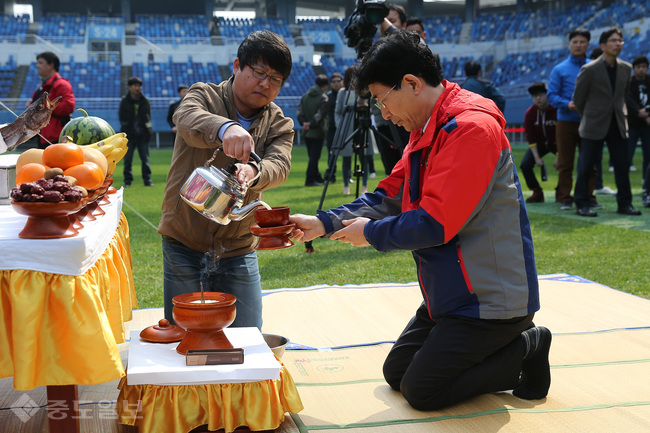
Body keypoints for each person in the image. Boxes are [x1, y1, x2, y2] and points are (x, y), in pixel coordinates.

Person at [290, 31, 549, 411]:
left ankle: (528, 343)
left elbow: (436, 224)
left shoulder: (471, 129)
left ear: (411, 83)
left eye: (382, 100)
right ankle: (498, 351)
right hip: (450, 298)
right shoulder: (427, 128)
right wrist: (323, 223)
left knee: (422, 391)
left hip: (490, 302)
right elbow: (388, 196)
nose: (384, 113)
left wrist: (371, 235)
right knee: (397, 373)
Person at [158, 30, 293, 329]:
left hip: (238, 246)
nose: (265, 84)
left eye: (275, 80)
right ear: (236, 66)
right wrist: (225, 128)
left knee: (248, 336)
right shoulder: (204, 95)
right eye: (259, 73)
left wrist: (254, 172)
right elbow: (185, 116)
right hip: (184, 239)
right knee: (184, 338)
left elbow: (280, 164)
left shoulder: (279, 122)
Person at [573, 27, 640, 216]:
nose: (618, 43)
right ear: (603, 46)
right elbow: (579, 99)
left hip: (618, 123)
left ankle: (625, 204)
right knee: (586, 166)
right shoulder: (589, 69)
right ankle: (582, 203)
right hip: (593, 124)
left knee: (622, 166)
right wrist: (589, 116)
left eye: (620, 40)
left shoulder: (626, 68)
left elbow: (623, 95)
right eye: (613, 40)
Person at [547, 28, 599, 210]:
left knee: (590, 163)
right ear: (569, 45)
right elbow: (551, 96)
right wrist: (566, 104)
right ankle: (565, 198)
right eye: (575, 42)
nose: (578, 45)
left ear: (588, 44)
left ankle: (588, 196)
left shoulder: (595, 66)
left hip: (589, 121)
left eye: (582, 42)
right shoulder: (559, 69)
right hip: (566, 121)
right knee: (565, 163)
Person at [334, 65, 378, 195]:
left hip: (363, 127)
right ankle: (346, 184)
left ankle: (364, 185)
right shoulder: (343, 93)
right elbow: (337, 112)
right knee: (346, 158)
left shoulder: (365, 92)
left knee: (364, 157)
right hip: (347, 129)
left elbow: (375, 106)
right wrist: (340, 128)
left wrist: (365, 105)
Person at [521, 82, 558, 203]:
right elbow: (530, 137)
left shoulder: (557, 110)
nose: (538, 98)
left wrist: (560, 156)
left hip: (558, 144)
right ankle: (537, 192)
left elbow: (564, 136)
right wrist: (537, 157)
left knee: (565, 163)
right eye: (535, 95)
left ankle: (562, 191)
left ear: (547, 95)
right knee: (525, 165)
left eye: (541, 94)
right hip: (540, 145)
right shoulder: (530, 113)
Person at [30, 51, 75, 149]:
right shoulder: (42, 85)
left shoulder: (61, 84)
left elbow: (69, 106)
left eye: (41, 63)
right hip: (42, 134)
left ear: (51, 65)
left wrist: (44, 107)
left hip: (55, 135)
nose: (37, 66)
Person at [119, 76, 153, 187]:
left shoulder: (145, 101)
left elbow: (148, 116)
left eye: (139, 85)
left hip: (143, 134)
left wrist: (147, 129)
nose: (138, 88)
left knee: (145, 159)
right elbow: (121, 116)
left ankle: (147, 180)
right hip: (129, 135)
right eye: (135, 85)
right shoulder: (124, 100)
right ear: (129, 87)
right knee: (127, 160)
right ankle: (127, 181)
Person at [625, 55, 650, 207]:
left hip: (648, 124)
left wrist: (647, 112)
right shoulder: (629, 82)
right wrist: (639, 112)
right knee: (627, 154)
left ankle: (645, 183)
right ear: (634, 69)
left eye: (643, 66)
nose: (641, 69)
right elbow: (627, 99)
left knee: (648, 154)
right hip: (633, 123)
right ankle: (625, 184)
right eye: (638, 67)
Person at [298, 74, 329, 186]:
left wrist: (304, 124)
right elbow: (320, 115)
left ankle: (317, 177)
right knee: (314, 158)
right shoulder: (324, 98)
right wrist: (310, 124)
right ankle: (310, 179)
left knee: (312, 156)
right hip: (317, 132)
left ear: (315, 83)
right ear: (325, 86)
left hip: (306, 132)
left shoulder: (305, 96)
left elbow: (299, 112)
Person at [324, 72, 343, 183]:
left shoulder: (346, 95)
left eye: (338, 81)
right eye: (333, 82)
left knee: (348, 154)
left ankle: (348, 175)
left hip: (344, 127)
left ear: (342, 82)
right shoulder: (328, 97)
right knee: (331, 153)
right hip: (331, 128)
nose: (336, 84)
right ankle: (331, 175)